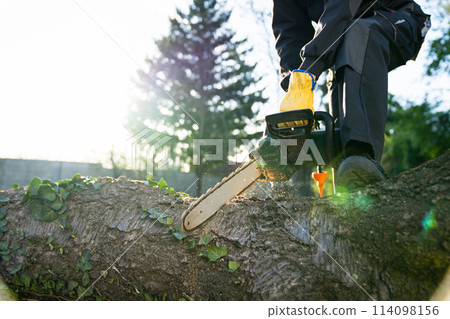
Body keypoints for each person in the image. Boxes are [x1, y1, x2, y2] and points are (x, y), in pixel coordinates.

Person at [272, 0, 430, 190]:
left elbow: (341, 8)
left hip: (399, 16)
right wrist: (294, 84)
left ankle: (362, 156)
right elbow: (290, 33)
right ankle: (346, 178)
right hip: (344, 36)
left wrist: (310, 69)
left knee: (359, 33)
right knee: (339, 69)